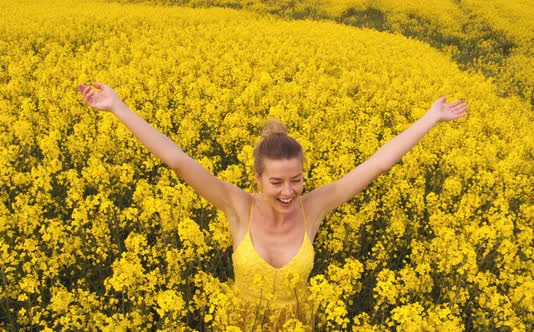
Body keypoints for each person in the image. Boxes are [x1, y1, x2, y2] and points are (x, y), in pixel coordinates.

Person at [78, 82, 468, 327]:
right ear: (258, 179)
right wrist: (117, 107)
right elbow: (178, 161)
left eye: (296, 180)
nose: (288, 192)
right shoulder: (237, 206)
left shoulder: (313, 207)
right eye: (277, 182)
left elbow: (377, 164)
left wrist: (430, 118)